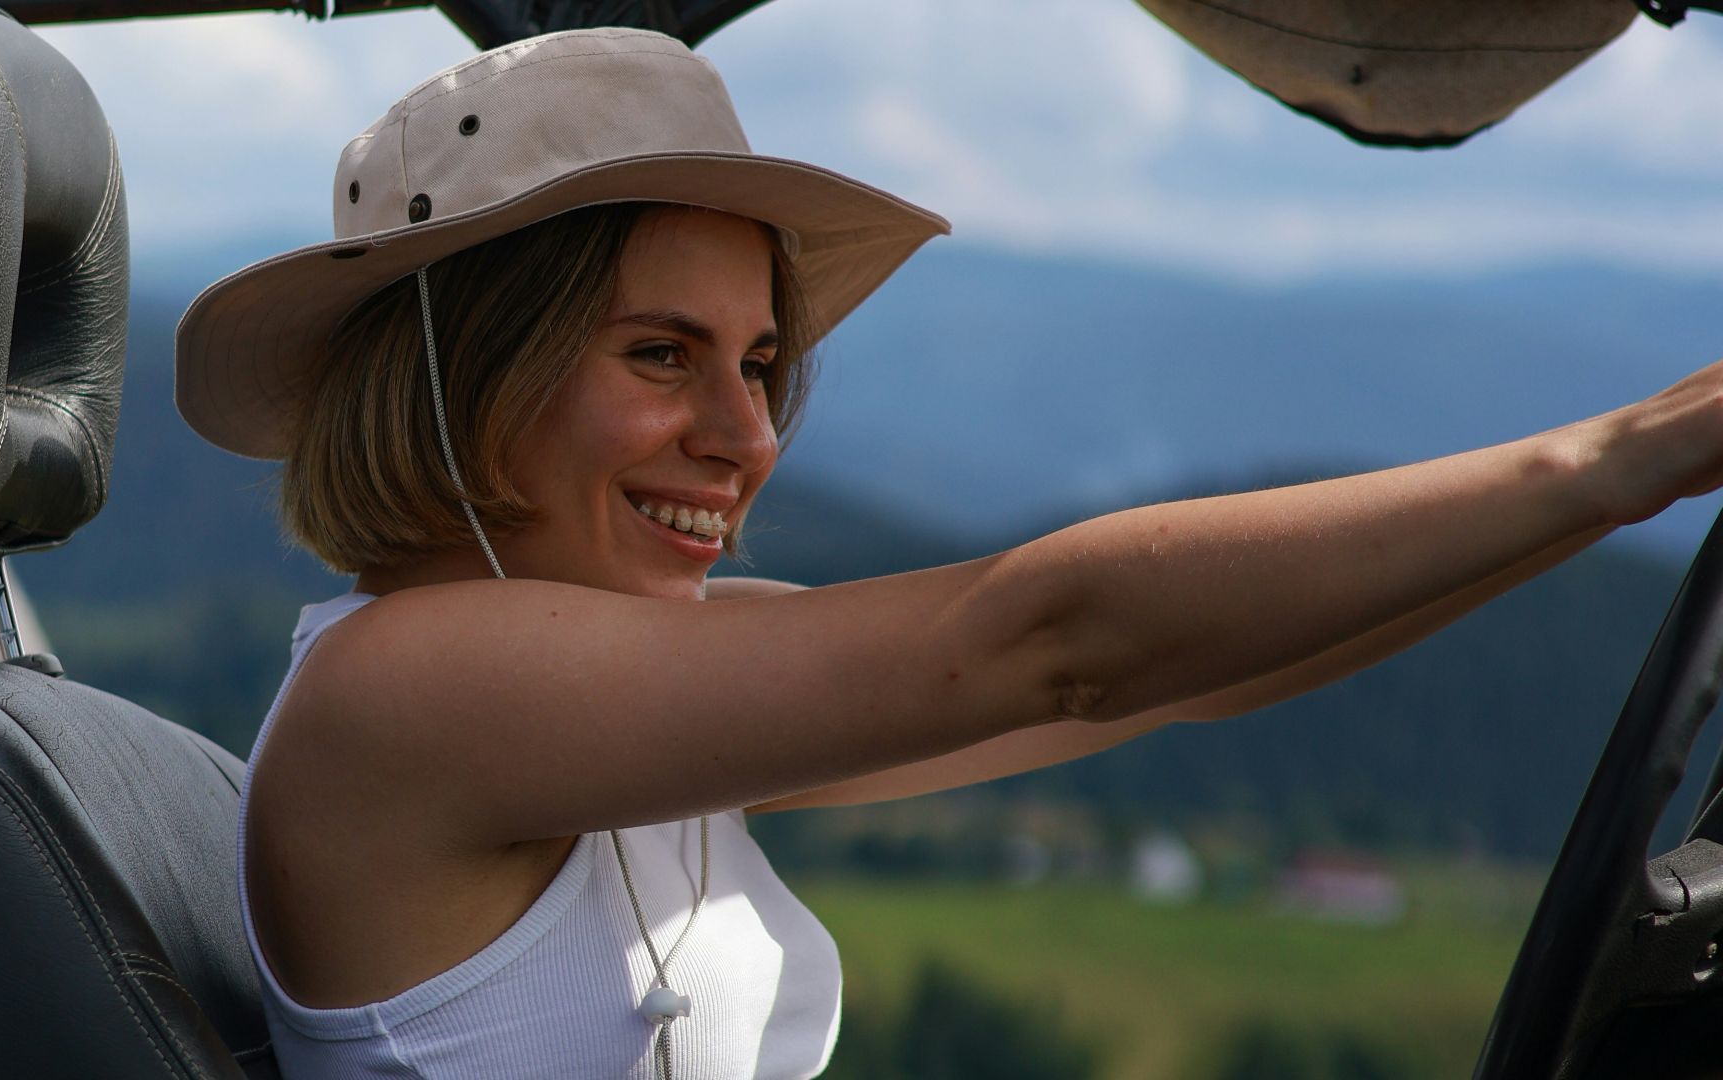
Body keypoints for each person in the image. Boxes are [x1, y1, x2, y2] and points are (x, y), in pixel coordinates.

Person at [174, 27, 1723, 1080]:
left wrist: (1611, 500)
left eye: (761, 366)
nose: (749, 436)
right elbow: (1054, 639)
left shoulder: (589, 693)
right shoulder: (410, 689)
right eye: (663, 355)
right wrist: (1607, 454)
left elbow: (1144, 686)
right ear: (463, 379)